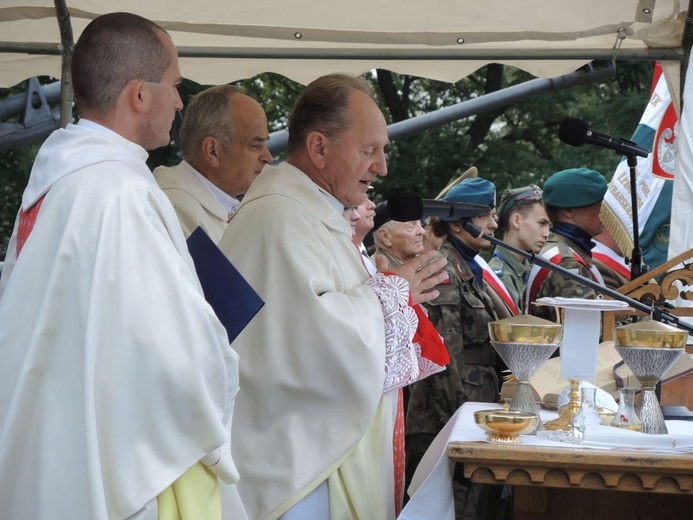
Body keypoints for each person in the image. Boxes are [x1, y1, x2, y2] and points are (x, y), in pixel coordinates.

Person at [0, 12, 245, 520]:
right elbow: (173, 355)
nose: (180, 101)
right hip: (113, 458)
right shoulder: (121, 191)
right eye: (175, 85)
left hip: (45, 439)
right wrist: (221, 361)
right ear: (140, 95)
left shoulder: (56, 178)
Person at [217, 73, 449, 520]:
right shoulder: (278, 218)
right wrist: (393, 293)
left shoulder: (309, 214)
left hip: (320, 459)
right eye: (369, 151)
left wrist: (384, 287)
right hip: (298, 473)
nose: (382, 167)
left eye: (382, 150)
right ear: (320, 148)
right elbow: (315, 347)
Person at [405, 177, 503, 520]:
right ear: (461, 225)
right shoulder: (443, 269)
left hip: (467, 411)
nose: (494, 224)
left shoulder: (466, 267)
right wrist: (460, 426)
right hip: (444, 418)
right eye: (487, 216)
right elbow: (444, 357)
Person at [154, 85, 272, 242]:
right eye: (255, 145)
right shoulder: (175, 210)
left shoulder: (216, 207)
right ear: (213, 151)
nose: (268, 158)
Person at [526, 168, 608, 321]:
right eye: (598, 204)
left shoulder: (560, 248)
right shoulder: (567, 263)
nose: (605, 211)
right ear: (569, 211)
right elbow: (592, 333)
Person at [488, 184, 551, 313]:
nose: (547, 233)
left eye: (549, 226)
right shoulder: (501, 277)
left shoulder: (529, 268)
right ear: (516, 221)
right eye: (542, 223)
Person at [371, 201, 426, 268]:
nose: (422, 231)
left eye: (421, 224)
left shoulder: (423, 265)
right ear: (385, 236)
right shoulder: (373, 272)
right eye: (411, 226)